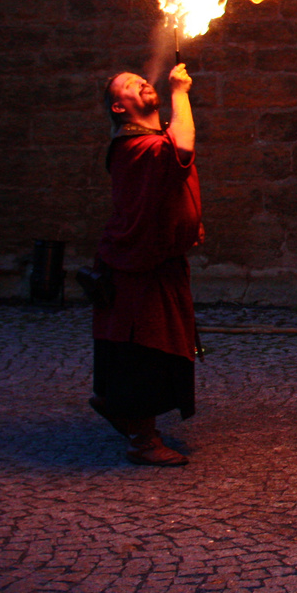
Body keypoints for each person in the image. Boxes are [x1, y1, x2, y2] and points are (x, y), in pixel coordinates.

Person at [89, 65, 203, 467]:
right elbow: (182, 150)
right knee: (144, 349)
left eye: (140, 77)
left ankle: (112, 402)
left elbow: (174, 163)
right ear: (120, 107)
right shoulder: (132, 148)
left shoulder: (149, 141)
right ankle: (141, 439)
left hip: (155, 265)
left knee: (148, 343)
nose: (139, 81)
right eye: (126, 84)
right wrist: (180, 92)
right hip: (137, 267)